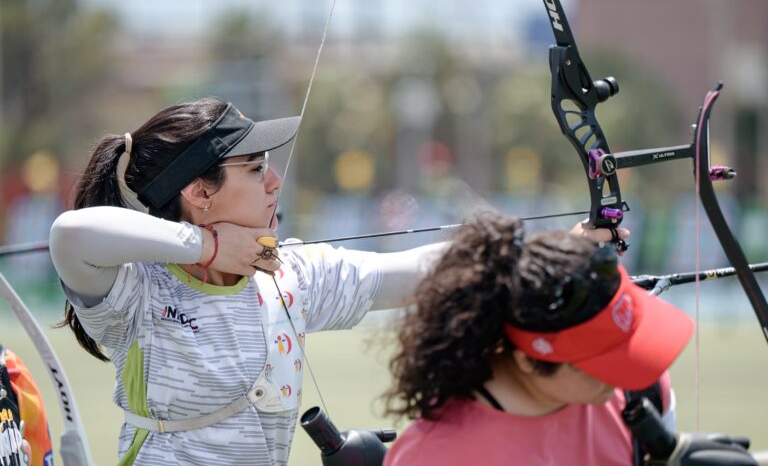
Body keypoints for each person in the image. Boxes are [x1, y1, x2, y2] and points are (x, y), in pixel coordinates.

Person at [48, 98, 624, 466]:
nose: (275, 181)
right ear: (199, 193)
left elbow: (406, 276)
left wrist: (552, 248)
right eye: (253, 169)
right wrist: (212, 246)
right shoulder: (138, 292)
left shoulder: (289, 274)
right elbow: (71, 235)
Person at [383, 213, 694, 466]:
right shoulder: (434, 457)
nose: (630, 366)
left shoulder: (642, 393)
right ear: (529, 360)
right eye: (602, 359)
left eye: (626, 339)